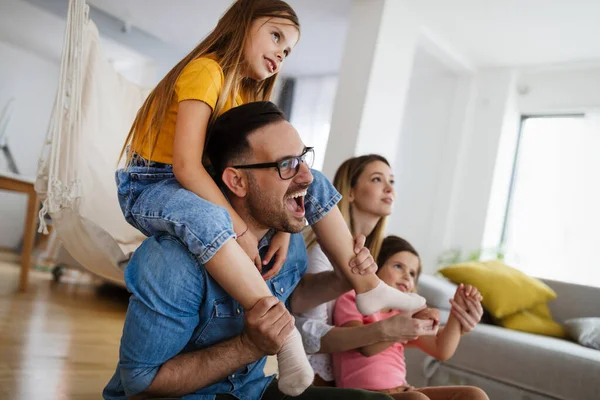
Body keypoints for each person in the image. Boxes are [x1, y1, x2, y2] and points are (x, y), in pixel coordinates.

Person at [115, 0, 426, 394]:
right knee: (210, 221)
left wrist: (284, 226)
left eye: (289, 48)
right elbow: (187, 168)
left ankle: (365, 285)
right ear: (242, 25)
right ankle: (285, 336)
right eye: (276, 36)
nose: (281, 52)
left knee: (315, 181)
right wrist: (241, 229)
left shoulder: (243, 95)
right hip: (154, 182)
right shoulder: (206, 71)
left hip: (198, 184)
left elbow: (267, 184)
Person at [104, 102, 416, 400]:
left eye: (304, 158)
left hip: (252, 392)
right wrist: (250, 345)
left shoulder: (286, 238)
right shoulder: (172, 262)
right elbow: (141, 384)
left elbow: (294, 298)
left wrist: (344, 279)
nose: (308, 177)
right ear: (236, 181)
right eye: (287, 165)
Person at [296, 155, 438, 386]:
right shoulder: (320, 253)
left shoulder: (375, 257)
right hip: (316, 381)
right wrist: (384, 330)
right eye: (376, 179)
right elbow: (309, 336)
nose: (389, 188)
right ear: (350, 192)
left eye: (392, 181)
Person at [333, 235, 489, 400]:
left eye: (413, 273)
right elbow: (365, 348)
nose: (407, 276)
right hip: (364, 395)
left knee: (474, 395)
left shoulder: (403, 312)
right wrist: (407, 325)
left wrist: (458, 313)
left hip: (403, 391)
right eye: (398, 266)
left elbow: (441, 349)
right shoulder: (353, 299)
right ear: (375, 267)